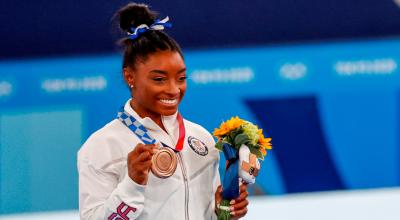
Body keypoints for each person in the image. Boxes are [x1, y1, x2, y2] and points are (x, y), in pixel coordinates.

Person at [77, 2, 249, 220]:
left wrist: (221, 211)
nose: (173, 89)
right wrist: (132, 184)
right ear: (130, 77)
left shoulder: (202, 138)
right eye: (159, 79)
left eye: (181, 78)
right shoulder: (101, 146)